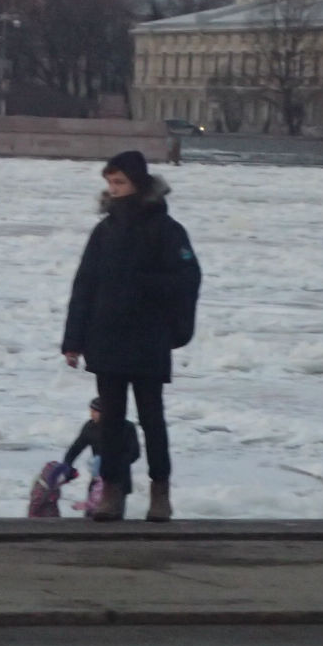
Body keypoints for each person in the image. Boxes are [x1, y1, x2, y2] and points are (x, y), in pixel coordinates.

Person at [61, 150, 200, 523]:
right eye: (110, 183)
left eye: (120, 182)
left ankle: (160, 492)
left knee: (152, 418)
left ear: (138, 183)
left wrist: (150, 294)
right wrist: (73, 340)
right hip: (106, 338)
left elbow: (188, 279)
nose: (114, 190)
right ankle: (112, 490)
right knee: (110, 422)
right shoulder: (104, 231)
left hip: (148, 338)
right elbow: (84, 285)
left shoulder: (167, 230)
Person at [63, 396, 140, 511]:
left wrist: (116, 463)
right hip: (97, 478)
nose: (91, 415)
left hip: (120, 479)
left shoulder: (127, 427)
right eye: (91, 411)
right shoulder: (90, 427)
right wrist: (67, 465)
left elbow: (135, 453)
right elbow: (75, 448)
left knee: (115, 515)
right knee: (91, 515)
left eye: (94, 412)